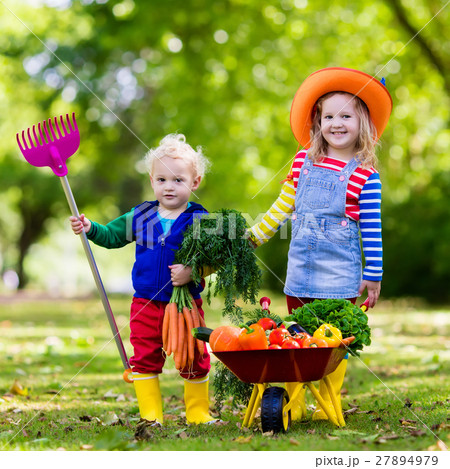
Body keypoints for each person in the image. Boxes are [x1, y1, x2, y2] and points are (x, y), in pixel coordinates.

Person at [248, 67, 392, 422]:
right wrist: (255, 236)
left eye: (346, 115)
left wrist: (373, 274)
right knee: (297, 336)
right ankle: (295, 403)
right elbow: (283, 205)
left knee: (333, 342)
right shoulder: (303, 161)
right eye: (329, 116)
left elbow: (371, 229)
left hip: (341, 276)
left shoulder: (365, 176)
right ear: (317, 121)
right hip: (300, 271)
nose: (336, 123)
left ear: (363, 124)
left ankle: (330, 401)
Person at [70, 133, 217, 435]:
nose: (169, 186)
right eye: (162, 179)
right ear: (152, 181)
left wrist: (194, 271)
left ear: (195, 182)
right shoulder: (140, 215)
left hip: (184, 305)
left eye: (178, 180)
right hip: (146, 303)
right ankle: (151, 414)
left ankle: (198, 412)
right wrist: (90, 228)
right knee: (145, 358)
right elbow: (111, 236)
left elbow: (216, 258)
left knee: (193, 355)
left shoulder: (200, 219)